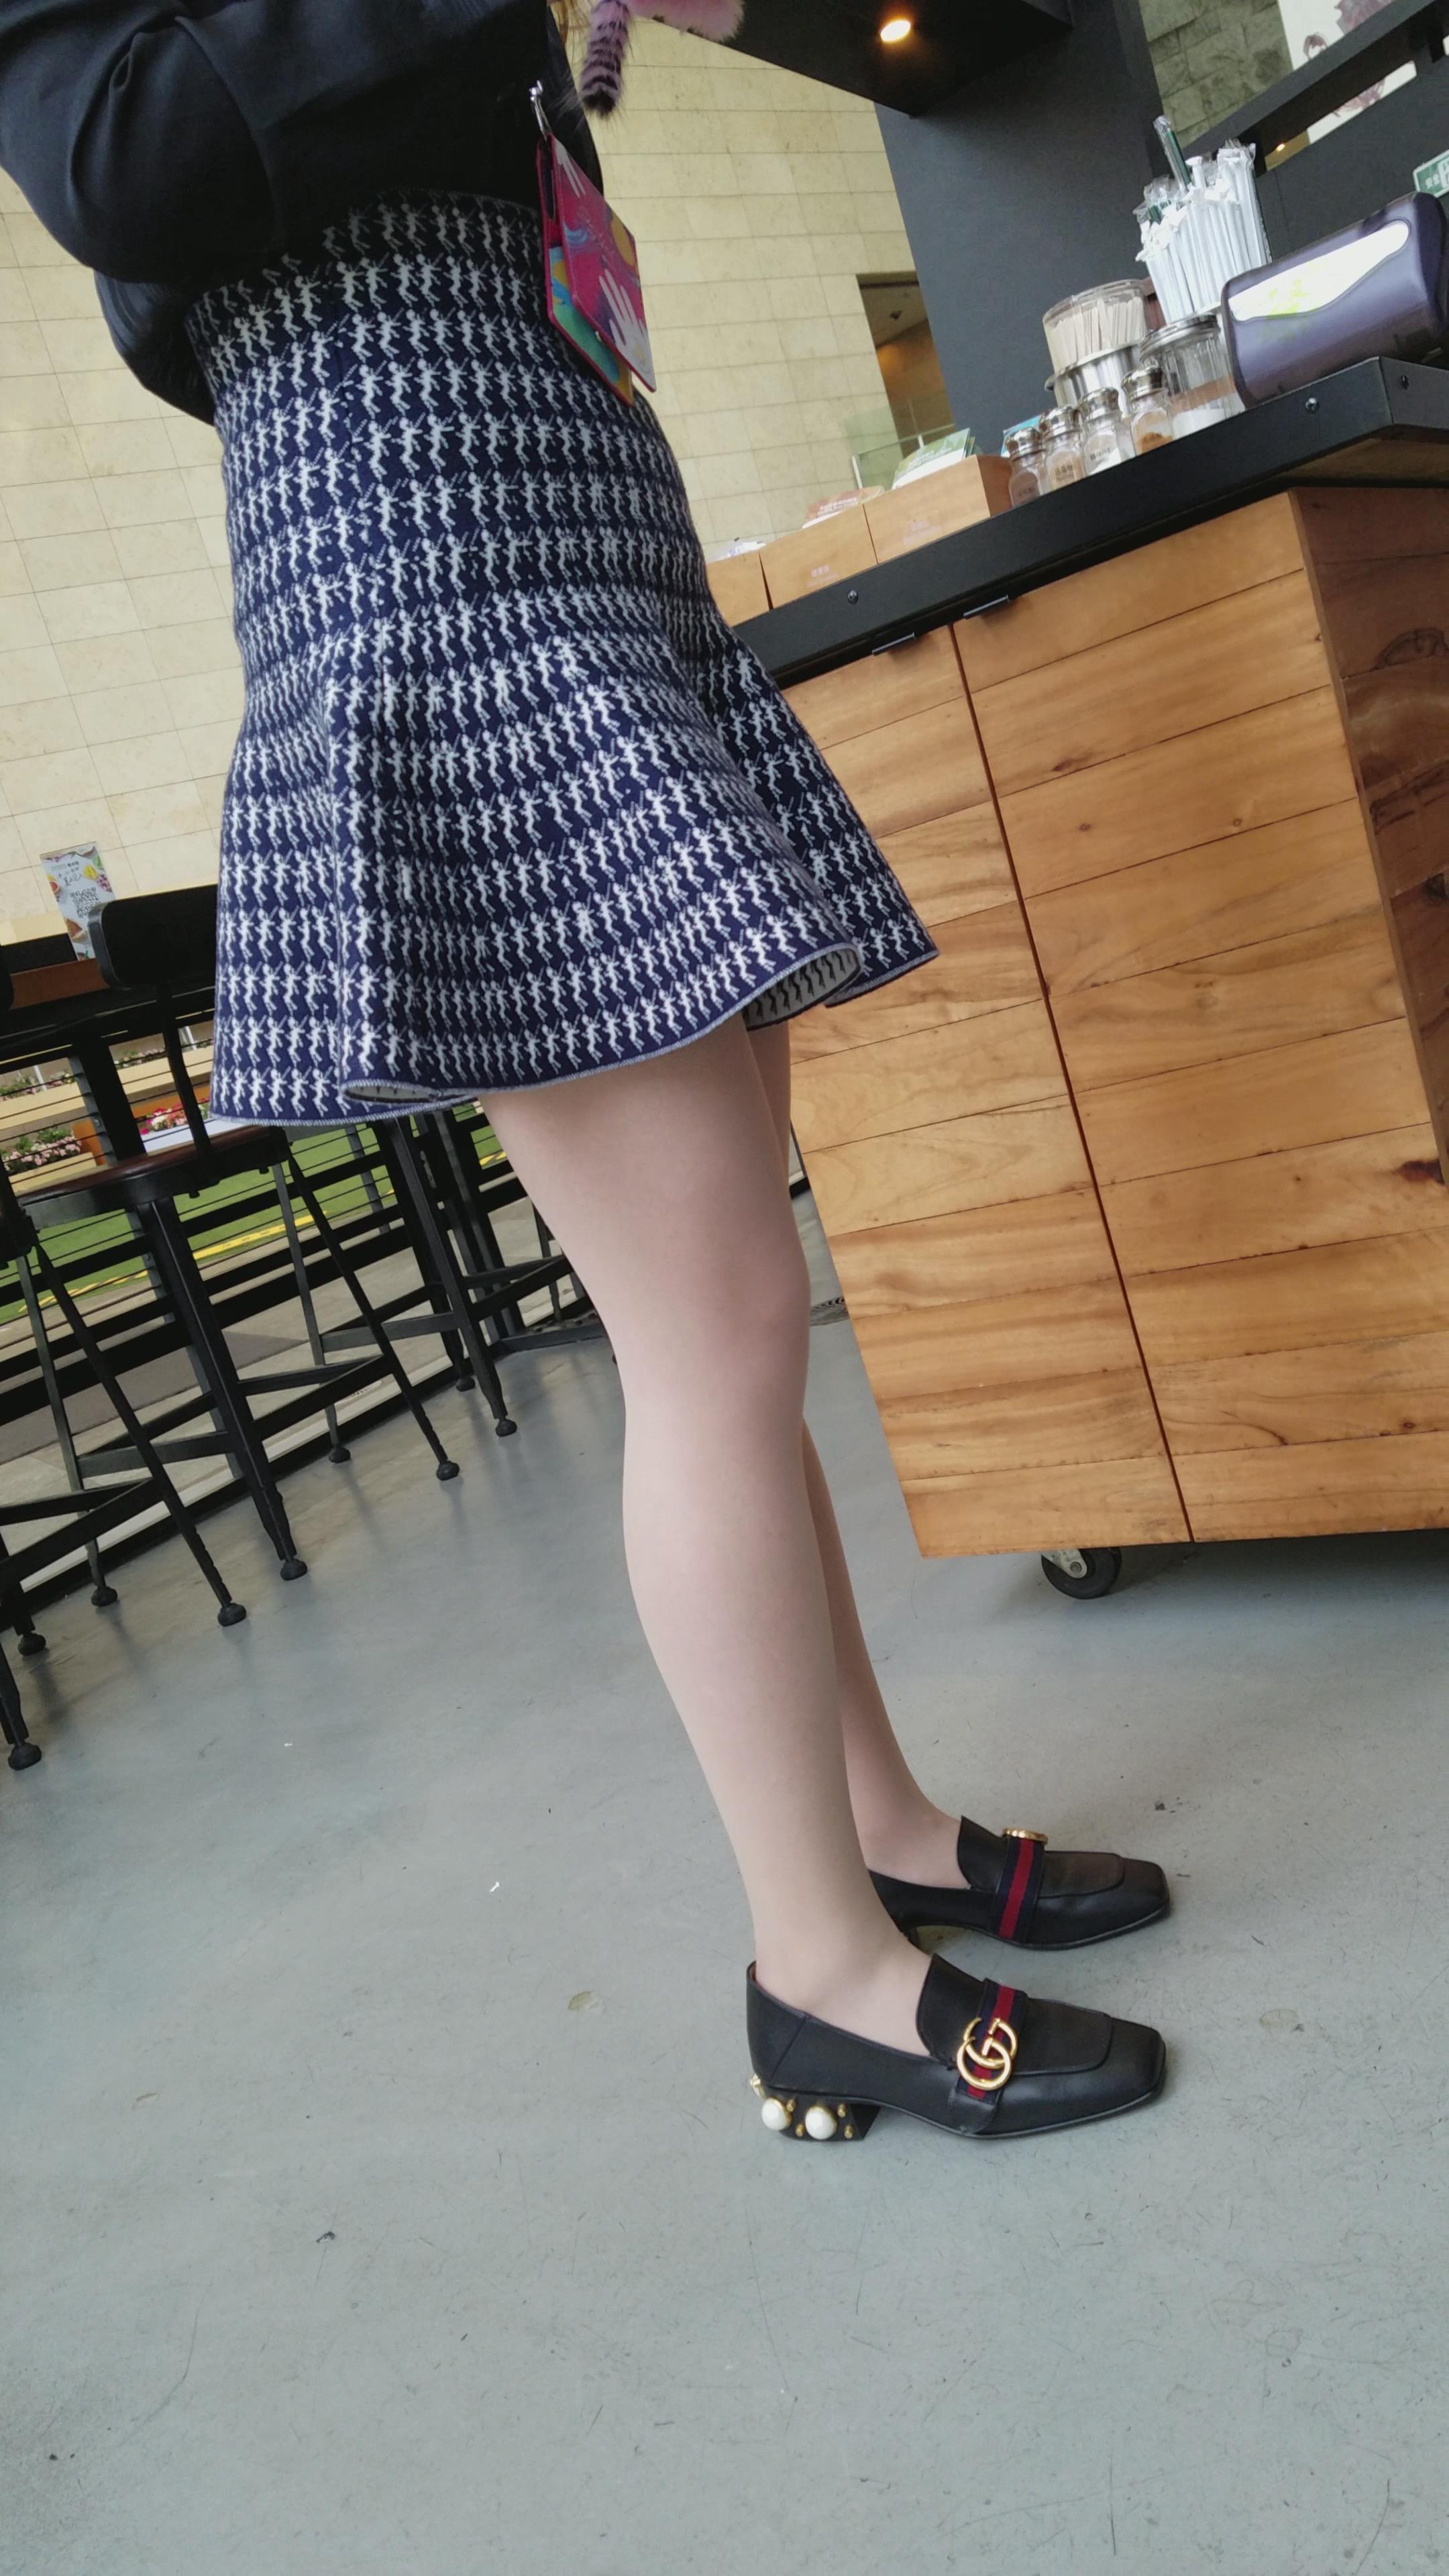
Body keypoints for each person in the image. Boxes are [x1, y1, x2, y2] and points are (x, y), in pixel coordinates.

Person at [0, 0, 1167, 2147]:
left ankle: (881, 1834)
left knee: (726, 1334)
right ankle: (817, 1971)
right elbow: (112, 153)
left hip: (583, 551)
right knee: (712, 1338)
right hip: (443, 569)